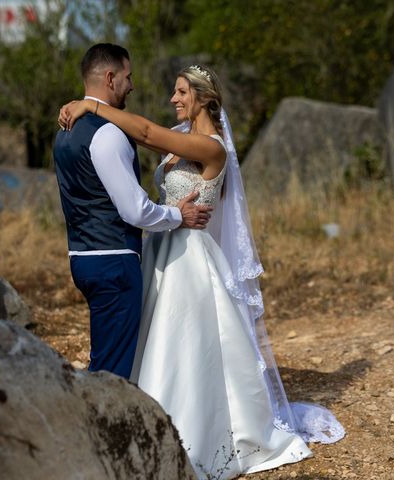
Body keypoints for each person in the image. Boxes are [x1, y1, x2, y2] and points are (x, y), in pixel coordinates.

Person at [59, 64, 345, 479]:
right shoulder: (183, 144)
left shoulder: (212, 148)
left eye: (180, 92)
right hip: (161, 251)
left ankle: (188, 433)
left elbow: (143, 132)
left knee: (184, 344)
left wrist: (91, 106)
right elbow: (147, 138)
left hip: (190, 258)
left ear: (202, 98)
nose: (173, 99)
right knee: (152, 339)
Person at [52, 44, 212, 380]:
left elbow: (148, 134)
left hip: (82, 257)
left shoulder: (64, 132)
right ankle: (101, 431)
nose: (132, 85)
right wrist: (177, 216)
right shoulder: (107, 134)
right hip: (114, 261)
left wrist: (87, 105)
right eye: (128, 77)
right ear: (110, 78)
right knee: (112, 373)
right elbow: (135, 210)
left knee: (106, 358)